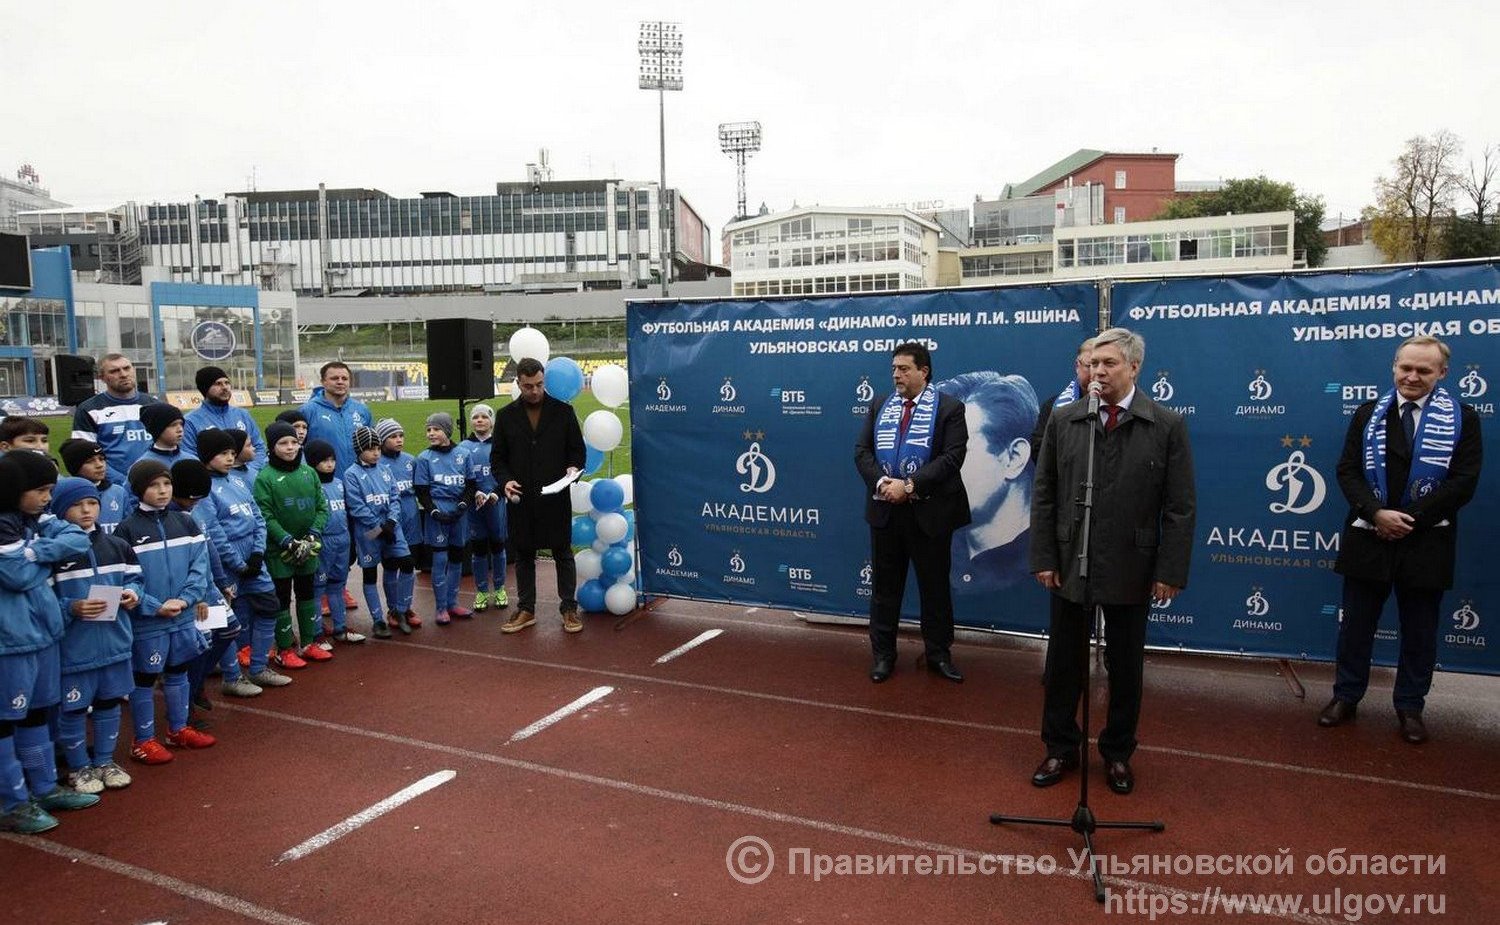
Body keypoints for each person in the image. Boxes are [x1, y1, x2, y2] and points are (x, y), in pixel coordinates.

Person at [1029, 327, 1195, 796]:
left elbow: (1180, 507)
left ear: (1134, 368)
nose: (1097, 372)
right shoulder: (1066, 421)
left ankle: (1118, 752)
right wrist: (1044, 554)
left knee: (1125, 667)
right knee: (1063, 663)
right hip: (1068, 563)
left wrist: (1168, 570)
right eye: (1092, 364)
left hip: (1132, 565)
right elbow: (1044, 496)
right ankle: (1060, 746)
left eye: (1109, 364)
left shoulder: (1165, 425)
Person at [1319, 335, 1483, 745]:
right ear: (1394, 367)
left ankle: (1410, 706)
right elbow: (1347, 471)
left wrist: (1410, 520)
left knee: (1420, 631)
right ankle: (1346, 696)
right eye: (1405, 367)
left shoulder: (1464, 418)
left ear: (1442, 373)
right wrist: (1376, 514)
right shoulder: (1367, 413)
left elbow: (1464, 483)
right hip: (1368, 537)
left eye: (1423, 370)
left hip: (1426, 541)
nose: (1411, 376)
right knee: (1355, 627)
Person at [854, 342, 971, 684]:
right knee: (885, 590)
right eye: (893, 369)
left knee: (934, 589)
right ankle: (883, 656)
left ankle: (938, 654)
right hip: (885, 511)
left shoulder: (950, 408)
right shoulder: (880, 405)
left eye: (904, 369)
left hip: (929, 514)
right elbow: (862, 452)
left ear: (924, 371)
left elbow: (952, 458)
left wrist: (909, 486)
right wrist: (883, 484)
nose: (896, 375)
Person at [0, 451, 100, 834]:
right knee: (7, 719)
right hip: (11, 640)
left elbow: (78, 539)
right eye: (40, 490)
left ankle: (42, 787)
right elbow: (16, 577)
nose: (47, 499)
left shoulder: (34, 521)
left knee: (38, 712)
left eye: (50, 491)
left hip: (42, 632)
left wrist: (34, 552)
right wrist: (42, 556)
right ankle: (13, 801)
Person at [113, 460, 218, 764]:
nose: (162, 491)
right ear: (138, 490)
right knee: (145, 678)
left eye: (166, 484)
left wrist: (185, 600)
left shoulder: (185, 522)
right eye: (154, 485)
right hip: (150, 621)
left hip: (182, 615)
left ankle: (178, 728)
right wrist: (154, 606)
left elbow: (200, 567)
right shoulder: (127, 530)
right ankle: (143, 739)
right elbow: (126, 579)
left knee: (178, 671)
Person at [49, 477, 141, 795]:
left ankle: (104, 761)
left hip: (115, 643)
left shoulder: (116, 545)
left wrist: (132, 593)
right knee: (74, 709)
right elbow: (42, 600)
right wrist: (70, 607)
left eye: (92, 503)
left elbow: (135, 578)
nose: (86, 510)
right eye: (76, 505)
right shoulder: (54, 553)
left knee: (108, 703)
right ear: (60, 510)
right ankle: (78, 768)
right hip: (75, 649)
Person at [492, 358, 586, 635]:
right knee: (523, 553)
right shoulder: (506, 415)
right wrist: (506, 481)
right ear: (518, 383)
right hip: (522, 498)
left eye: (539, 385)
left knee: (562, 552)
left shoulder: (563, 412)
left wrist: (573, 469)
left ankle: (569, 607)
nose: (534, 390)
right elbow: (497, 459)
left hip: (555, 497)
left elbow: (577, 452)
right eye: (528, 386)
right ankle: (526, 608)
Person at [936, 371, 1039, 593]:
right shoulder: (936, 551)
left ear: (1014, 458)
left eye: (961, 450)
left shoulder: (1045, 565)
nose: (939, 468)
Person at [200, 430, 287, 691]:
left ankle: (259, 668)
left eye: (231, 453)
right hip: (227, 564)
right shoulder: (205, 489)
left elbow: (258, 518)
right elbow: (214, 532)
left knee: (269, 606)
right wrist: (238, 564)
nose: (229, 458)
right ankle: (231, 676)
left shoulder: (237, 481)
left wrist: (258, 554)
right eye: (222, 454)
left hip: (253, 558)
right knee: (223, 622)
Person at [254, 422, 330, 667]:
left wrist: (312, 535)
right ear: (272, 447)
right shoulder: (265, 477)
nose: (290, 448)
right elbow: (265, 515)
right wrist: (286, 540)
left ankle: (308, 642)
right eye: (283, 443)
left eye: (294, 442)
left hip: (308, 548)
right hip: (281, 552)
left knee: (307, 593)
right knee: (282, 598)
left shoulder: (309, 473)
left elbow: (321, 506)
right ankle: (284, 648)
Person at [416, 412, 475, 625]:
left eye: (436, 429)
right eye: (429, 429)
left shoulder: (463, 454)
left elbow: (470, 484)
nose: (431, 433)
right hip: (438, 511)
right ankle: (440, 607)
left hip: (459, 512)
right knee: (440, 559)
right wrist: (432, 511)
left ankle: (453, 602)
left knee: (457, 556)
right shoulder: (424, 458)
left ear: (447, 431)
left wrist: (462, 505)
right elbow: (421, 490)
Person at [306, 439, 364, 646]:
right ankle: (316, 632)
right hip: (323, 541)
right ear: (313, 463)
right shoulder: (311, 486)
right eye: (324, 461)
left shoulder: (340, 484)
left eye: (332, 460)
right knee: (318, 587)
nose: (329, 464)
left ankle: (340, 628)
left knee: (338, 586)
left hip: (343, 539)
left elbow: (348, 513)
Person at [70, 354, 159, 485]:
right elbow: (85, 456)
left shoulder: (156, 405)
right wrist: (124, 482)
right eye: (114, 371)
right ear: (101, 377)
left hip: (156, 483)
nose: (123, 374)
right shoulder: (89, 409)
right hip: (115, 486)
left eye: (127, 368)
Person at [376, 418, 423, 629]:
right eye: (393, 437)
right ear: (382, 440)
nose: (399, 440)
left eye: (401, 436)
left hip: (411, 515)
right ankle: (393, 608)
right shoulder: (378, 464)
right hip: (389, 519)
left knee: (409, 562)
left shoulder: (410, 460)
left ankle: (406, 606)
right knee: (391, 564)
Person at [182, 366, 267, 474]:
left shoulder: (243, 415)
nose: (225, 387)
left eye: (227, 383)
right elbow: (190, 455)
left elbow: (259, 447)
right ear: (205, 388)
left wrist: (251, 470)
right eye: (218, 384)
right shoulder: (190, 421)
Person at [465, 404, 509, 611]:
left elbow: (507, 474)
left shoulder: (501, 446)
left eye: (484, 416)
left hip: (496, 503)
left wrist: (496, 493)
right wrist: (474, 493)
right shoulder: (462, 448)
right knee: (479, 549)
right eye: (475, 417)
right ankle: (481, 591)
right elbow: (463, 477)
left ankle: (500, 588)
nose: (479, 420)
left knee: (498, 546)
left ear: (492, 421)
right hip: (475, 507)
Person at [300, 362, 372, 476]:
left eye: (344, 378)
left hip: (359, 482)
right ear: (323, 382)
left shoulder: (362, 410)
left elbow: (372, 447)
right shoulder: (307, 411)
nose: (340, 382)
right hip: (324, 483)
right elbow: (297, 448)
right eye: (334, 378)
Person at [1030, 337, 1095, 458]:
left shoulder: (1117, 406)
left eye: (1105, 365)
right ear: (1077, 365)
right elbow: (1038, 449)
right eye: (1090, 365)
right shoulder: (1054, 408)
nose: (1096, 372)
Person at [59, 439, 128, 533]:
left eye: (101, 459)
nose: (99, 465)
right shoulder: (64, 493)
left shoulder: (118, 492)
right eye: (89, 461)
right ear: (74, 466)